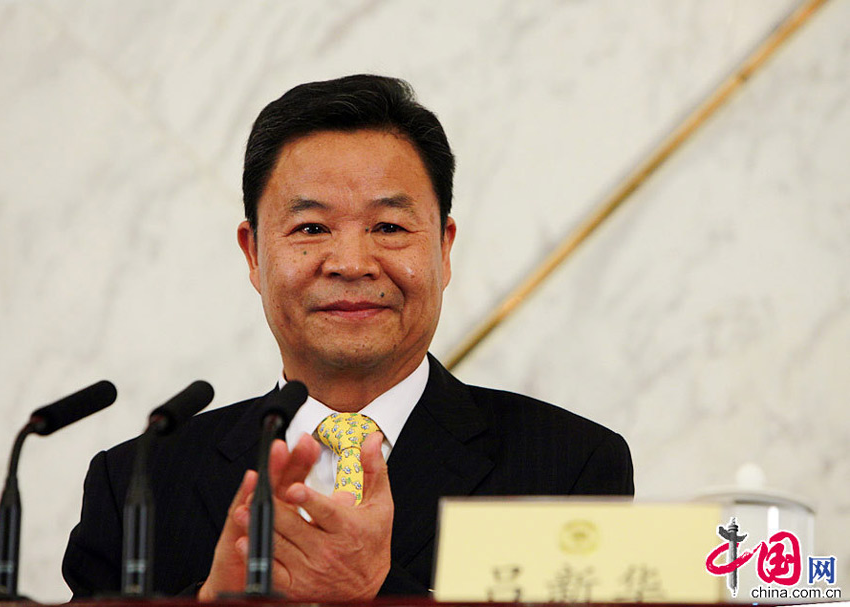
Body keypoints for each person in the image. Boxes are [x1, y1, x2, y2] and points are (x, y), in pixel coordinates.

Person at [62, 74, 634, 600]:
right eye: (311, 228)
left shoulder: (568, 465)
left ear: (443, 247)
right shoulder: (140, 480)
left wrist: (376, 590)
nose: (352, 262)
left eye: (388, 227)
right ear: (253, 254)